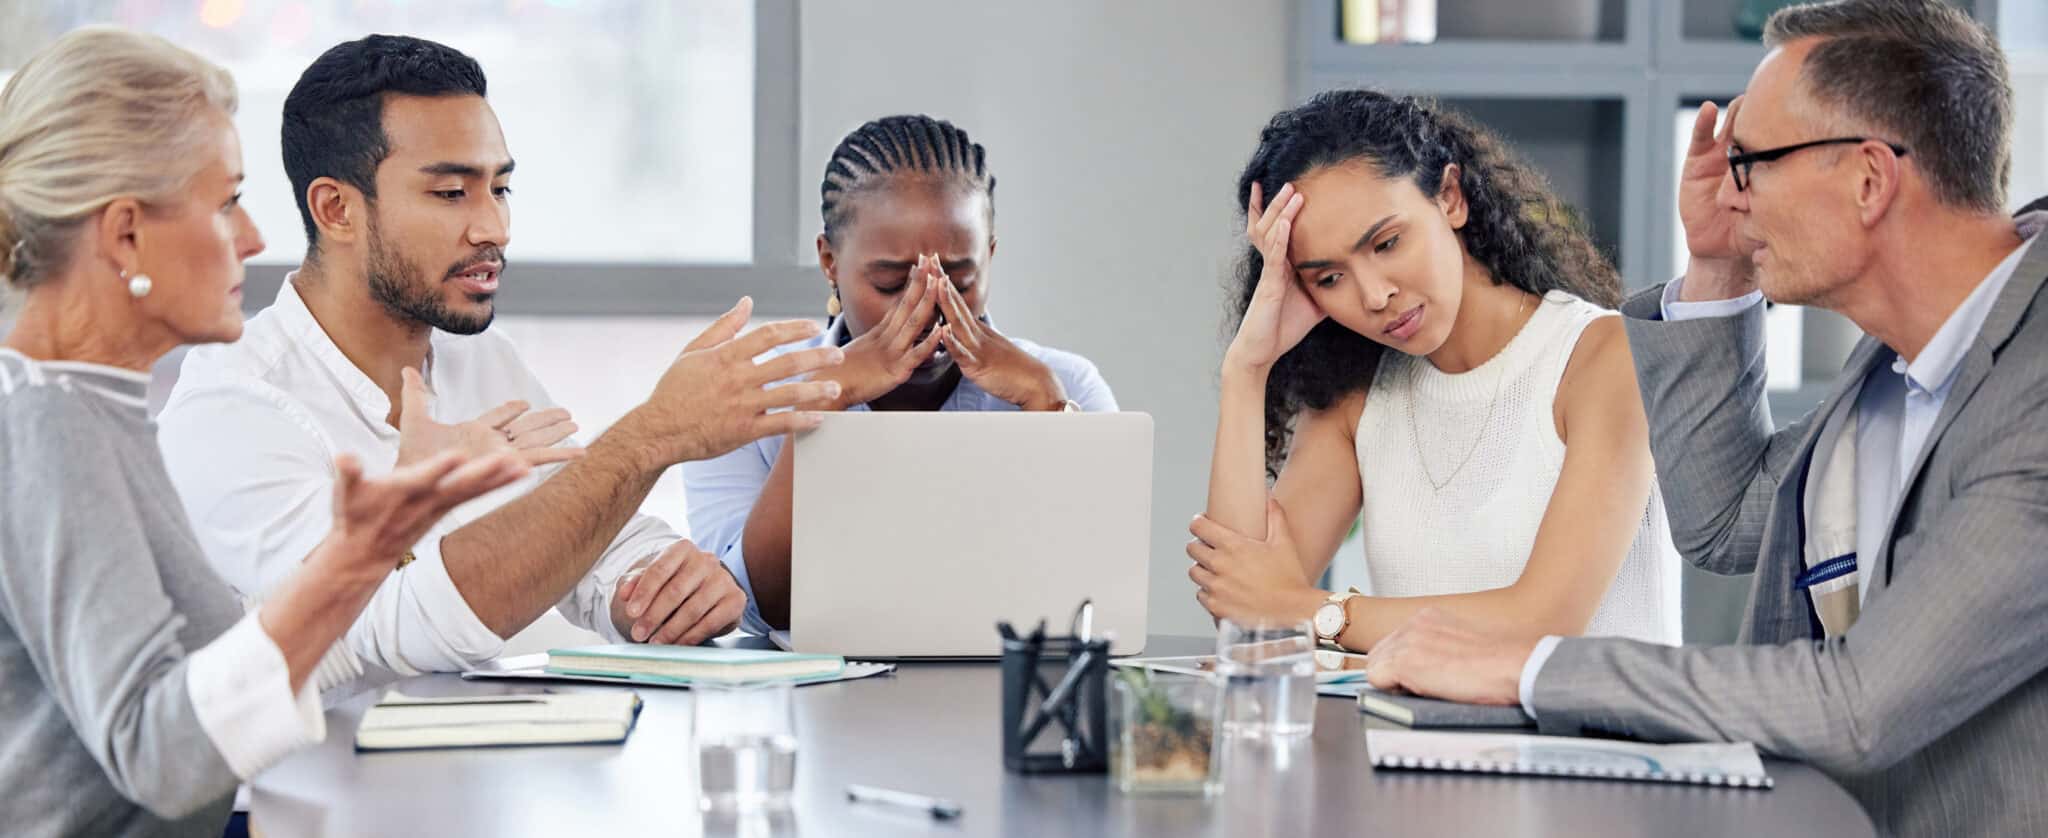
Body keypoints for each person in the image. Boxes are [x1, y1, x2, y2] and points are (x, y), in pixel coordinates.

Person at [1361, 2, 2048, 834]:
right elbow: (1724, 522)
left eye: (1751, 162)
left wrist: (1530, 668)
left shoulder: (2031, 388)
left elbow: (1859, 702)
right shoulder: (1901, 366)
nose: (1730, 192)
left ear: (1869, 179)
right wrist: (1719, 268)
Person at [156, 35, 840, 696]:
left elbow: (593, 542)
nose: (494, 228)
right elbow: (390, 627)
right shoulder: (233, 408)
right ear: (336, 210)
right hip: (333, 804)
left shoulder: (475, 354)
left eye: (500, 189)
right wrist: (653, 436)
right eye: (452, 194)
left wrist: (656, 588)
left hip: (500, 783)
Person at [0, 27, 527, 836]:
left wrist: (371, 553)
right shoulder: (50, 424)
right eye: (225, 203)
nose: (252, 238)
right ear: (126, 234)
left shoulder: (93, 408)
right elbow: (163, 757)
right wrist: (359, 556)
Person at [1190, 89, 1680, 652]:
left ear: (1450, 197)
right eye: (1328, 279)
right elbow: (1244, 610)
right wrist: (1248, 368)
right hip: (1416, 741)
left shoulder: (1603, 356)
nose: (1374, 295)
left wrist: (1313, 612)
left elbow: (1542, 623)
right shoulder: (1359, 399)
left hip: (1600, 740)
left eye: (1387, 242)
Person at [685, 115, 1118, 633]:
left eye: (960, 279)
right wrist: (827, 400)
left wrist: (1048, 406)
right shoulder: (749, 398)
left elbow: (1097, 600)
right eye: (892, 283)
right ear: (829, 263)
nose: (929, 305)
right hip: (807, 706)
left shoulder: (1066, 383)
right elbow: (761, 608)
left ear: (991, 256)